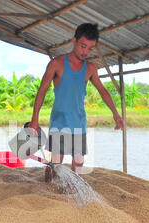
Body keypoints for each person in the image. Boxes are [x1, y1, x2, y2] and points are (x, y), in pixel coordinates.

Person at [28, 23, 124, 177]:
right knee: (56, 165)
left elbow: (103, 91)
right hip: (59, 122)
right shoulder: (57, 63)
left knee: (78, 164)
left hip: (79, 122)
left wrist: (115, 114)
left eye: (90, 48)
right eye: (83, 46)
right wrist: (34, 120)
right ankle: (48, 184)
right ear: (74, 40)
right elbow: (42, 91)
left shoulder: (91, 68)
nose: (85, 51)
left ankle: (71, 193)